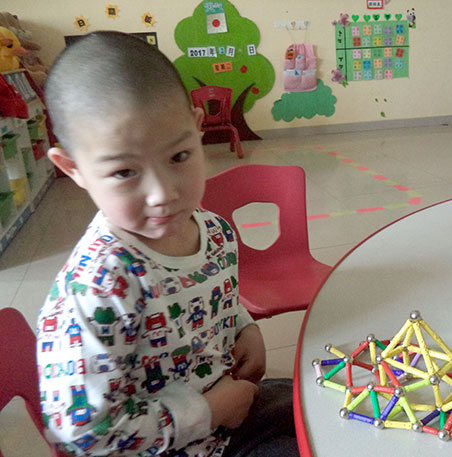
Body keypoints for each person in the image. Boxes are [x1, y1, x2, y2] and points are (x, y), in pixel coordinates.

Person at [37, 31, 298, 457]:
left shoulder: (214, 231)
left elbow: (215, 298)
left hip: (226, 411)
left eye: (179, 157)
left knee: (322, 403)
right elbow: (85, 433)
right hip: (177, 445)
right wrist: (208, 412)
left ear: (197, 129)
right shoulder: (96, 288)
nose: (163, 194)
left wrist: (243, 325)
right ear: (73, 168)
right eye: (124, 172)